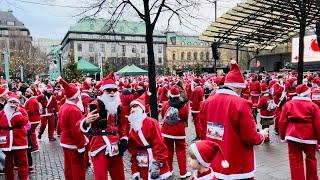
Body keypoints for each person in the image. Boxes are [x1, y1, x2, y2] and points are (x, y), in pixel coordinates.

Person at [201, 60, 268, 179]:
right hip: (237, 165)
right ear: (239, 87)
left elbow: (204, 131)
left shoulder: (207, 102)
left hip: (215, 162)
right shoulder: (241, 104)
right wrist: (262, 135)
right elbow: (250, 137)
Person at [80, 72, 128, 180]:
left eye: (114, 90)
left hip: (116, 144)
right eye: (108, 90)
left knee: (119, 176)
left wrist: (124, 139)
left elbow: (123, 124)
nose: (111, 93)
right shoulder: (95, 104)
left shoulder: (119, 106)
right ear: (103, 91)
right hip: (100, 144)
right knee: (101, 176)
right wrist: (86, 122)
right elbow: (82, 122)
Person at [58, 77, 98, 180]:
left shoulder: (64, 106)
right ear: (76, 97)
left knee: (69, 168)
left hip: (65, 141)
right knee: (78, 169)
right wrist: (81, 146)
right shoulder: (74, 109)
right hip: (74, 144)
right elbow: (76, 130)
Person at [279, 84, 320, 180]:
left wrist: (282, 136)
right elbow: (318, 123)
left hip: (292, 136)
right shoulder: (313, 106)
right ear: (308, 94)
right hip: (309, 137)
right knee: (311, 159)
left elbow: (282, 121)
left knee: (295, 160)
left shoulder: (288, 104)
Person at [127, 93, 171, 180]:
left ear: (142, 109)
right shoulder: (132, 126)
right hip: (141, 161)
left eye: (135, 106)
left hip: (154, 158)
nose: (132, 109)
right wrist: (135, 170)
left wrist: (157, 163)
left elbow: (159, 143)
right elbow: (133, 150)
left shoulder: (151, 122)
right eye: (131, 107)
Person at [161, 86, 191, 178]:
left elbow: (162, 115)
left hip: (167, 130)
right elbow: (185, 117)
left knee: (168, 150)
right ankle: (183, 172)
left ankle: (169, 170)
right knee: (181, 151)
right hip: (179, 132)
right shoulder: (184, 105)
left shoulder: (166, 104)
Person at [0, 93, 29, 180]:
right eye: (11, 102)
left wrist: (17, 112)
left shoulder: (22, 111)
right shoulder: (2, 112)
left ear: (18, 103)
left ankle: (23, 178)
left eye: (15, 102)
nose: (12, 104)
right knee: (8, 164)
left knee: (22, 162)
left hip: (19, 140)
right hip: (6, 140)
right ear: (7, 102)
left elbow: (22, 121)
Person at [24, 88, 41, 152]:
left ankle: (35, 147)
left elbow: (31, 111)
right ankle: (34, 146)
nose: (26, 93)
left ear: (31, 93)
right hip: (34, 119)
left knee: (32, 133)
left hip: (33, 120)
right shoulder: (32, 100)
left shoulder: (32, 100)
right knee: (32, 133)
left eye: (28, 92)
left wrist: (23, 111)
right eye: (26, 91)